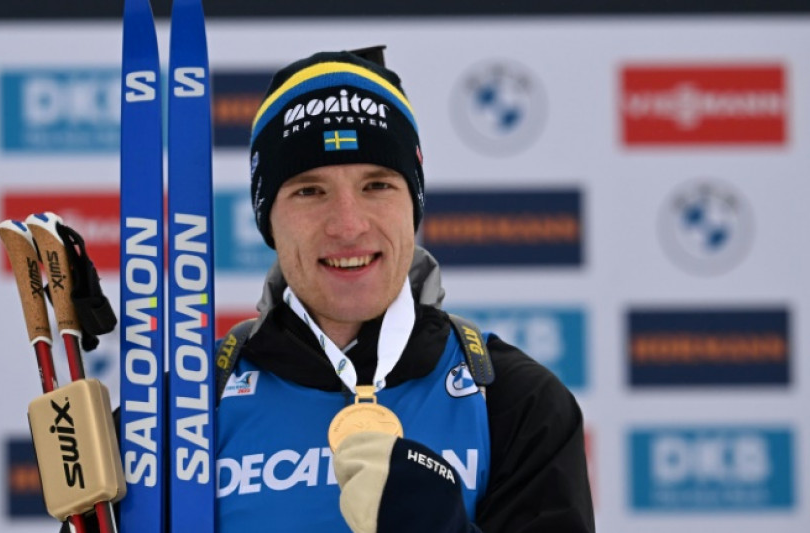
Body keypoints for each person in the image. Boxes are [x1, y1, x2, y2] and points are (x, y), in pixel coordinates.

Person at [64, 48, 594, 533]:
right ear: (268, 220)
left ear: (414, 204)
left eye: (377, 185)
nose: (347, 224)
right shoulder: (176, 416)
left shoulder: (512, 400)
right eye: (310, 191)